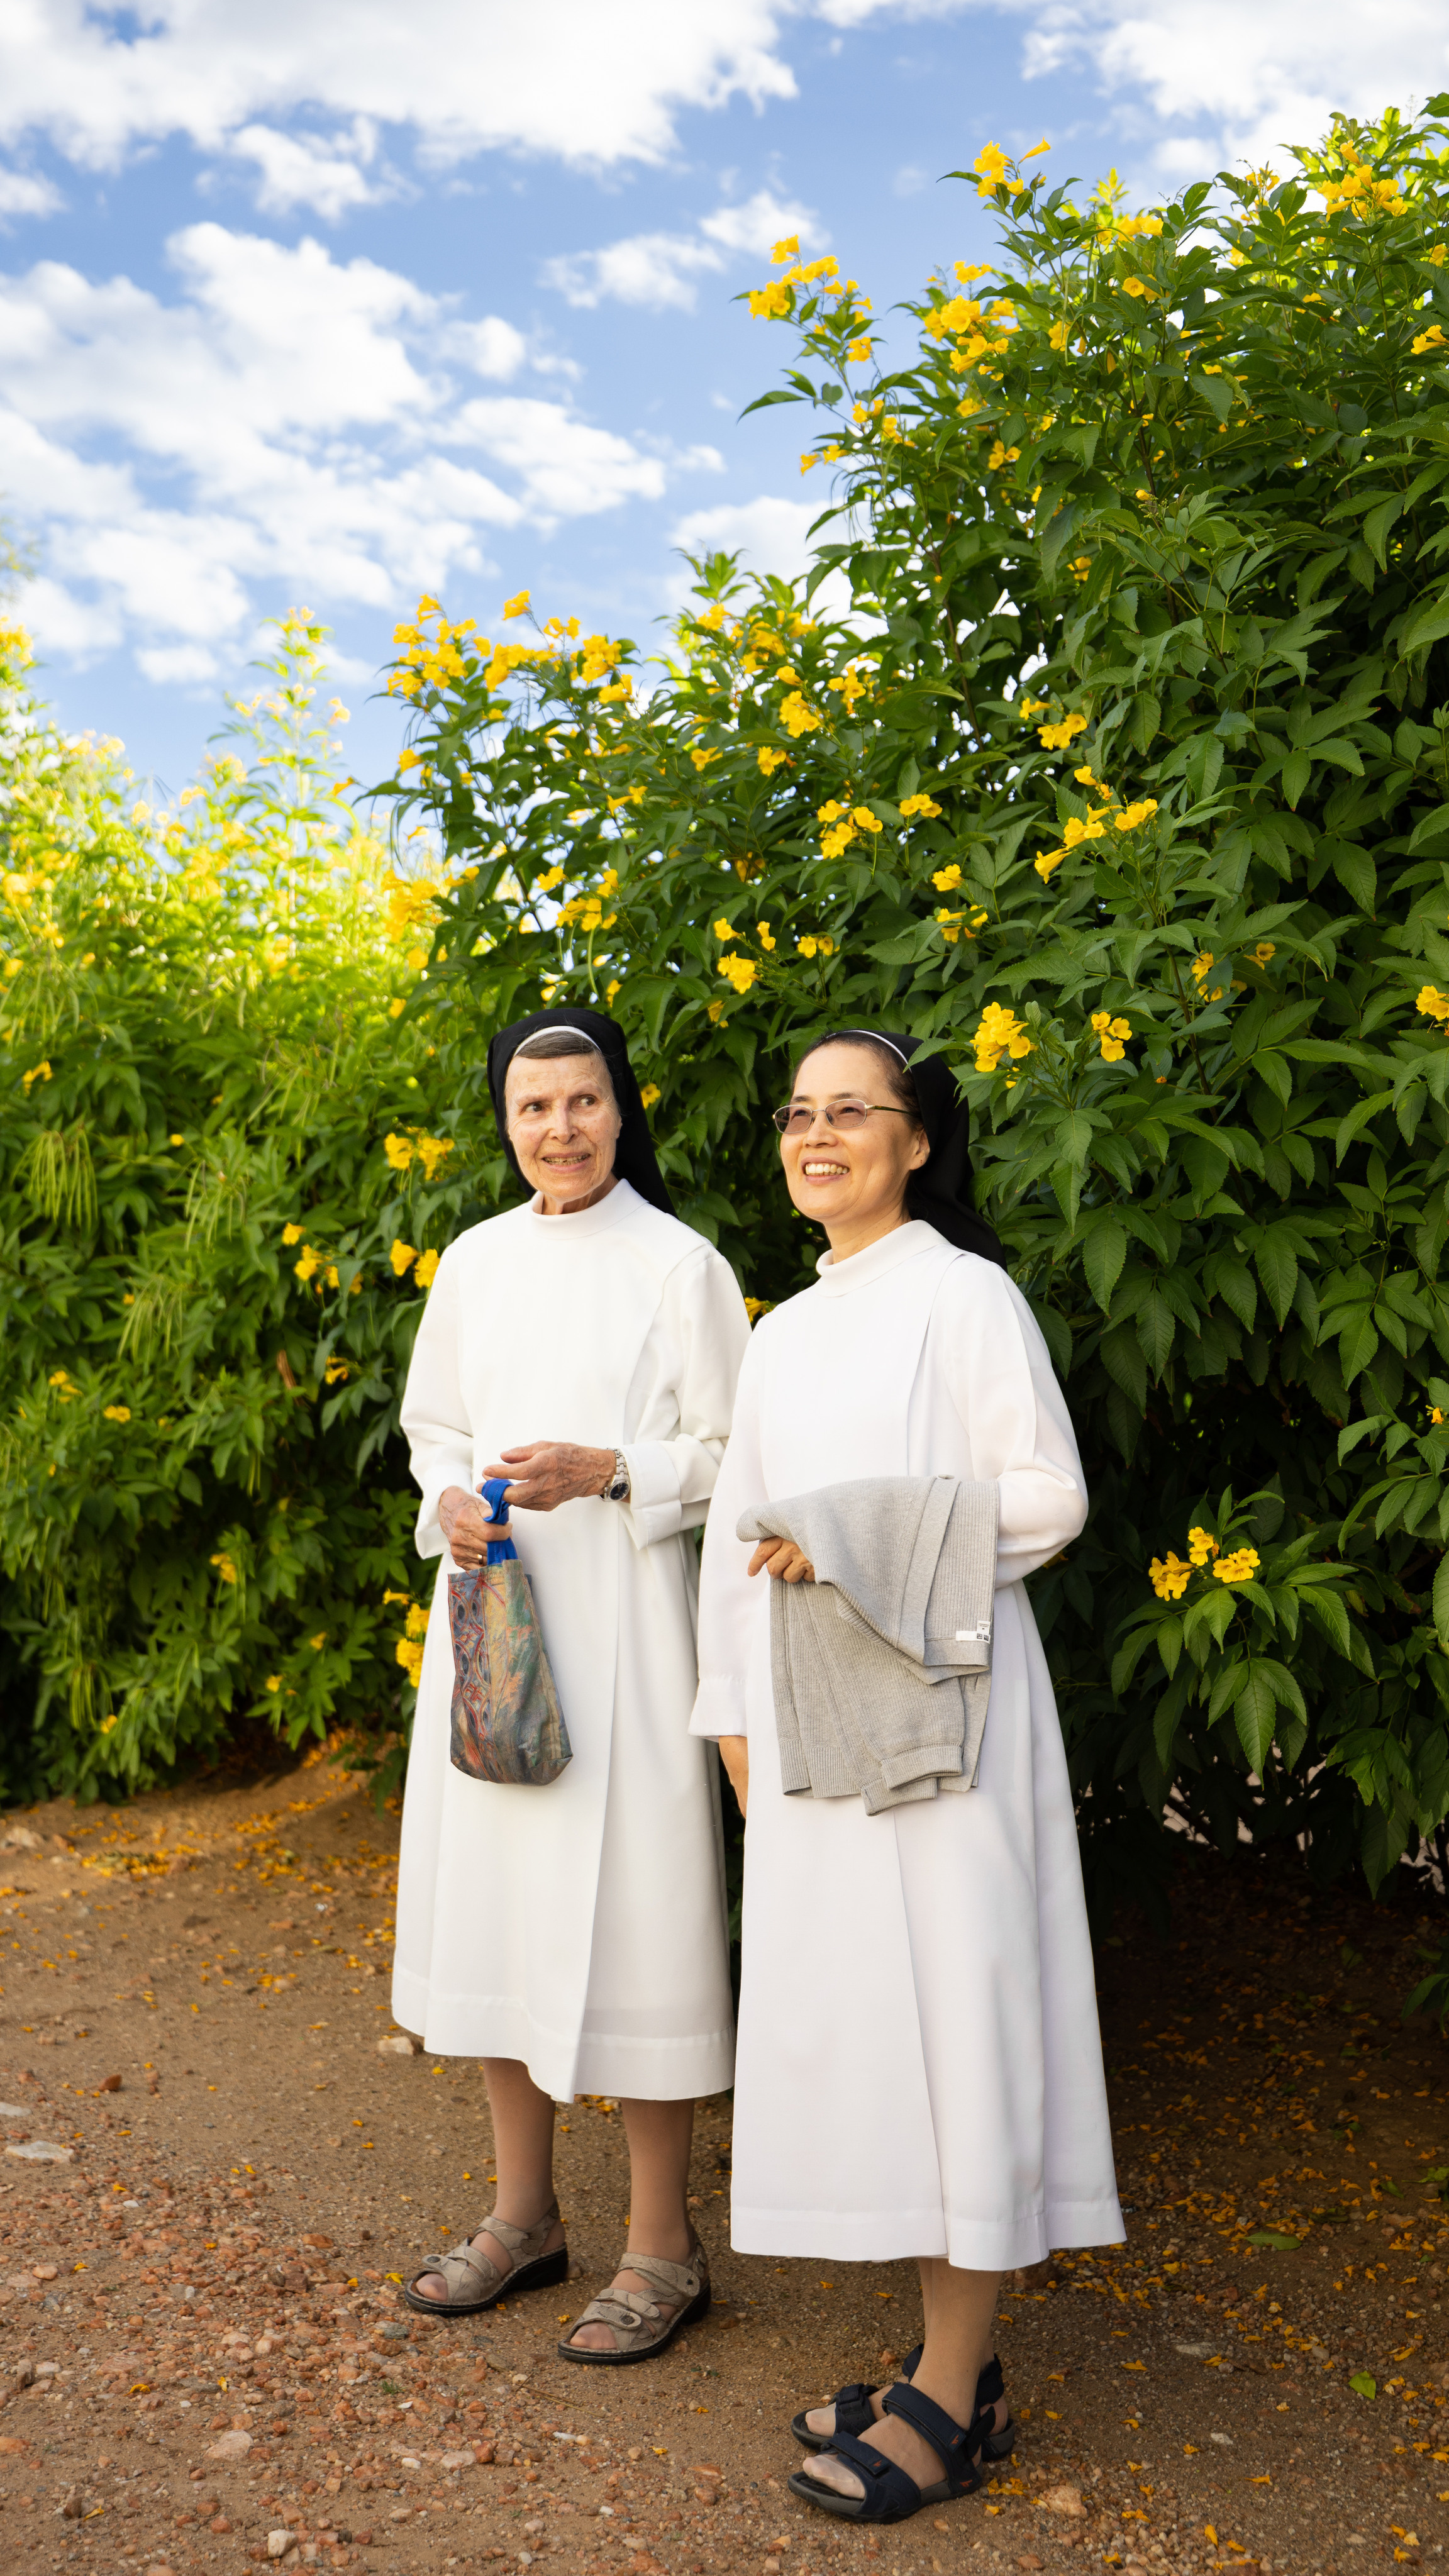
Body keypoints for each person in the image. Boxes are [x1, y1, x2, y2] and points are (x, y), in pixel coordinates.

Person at [691, 1028, 1122, 2526]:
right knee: (877, 2034)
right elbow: (742, 1538)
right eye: (800, 1115)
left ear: (917, 1139)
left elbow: (1050, 1494)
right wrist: (732, 1717)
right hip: (812, 1730)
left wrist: (861, 1535)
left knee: (959, 2028)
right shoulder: (788, 1327)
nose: (819, 1135)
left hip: (954, 1723)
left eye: (851, 1112)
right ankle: (957, 2368)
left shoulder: (964, 1293)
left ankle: (953, 2383)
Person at [393, 1005, 752, 2363]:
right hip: (496, 1629)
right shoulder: (475, 1260)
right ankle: (523, 2214)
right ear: (506, 1118)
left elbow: (733, 1449)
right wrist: (451, 1503)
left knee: (641, 1918)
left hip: (627, 1634)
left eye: (584, 1101)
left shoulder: (682, 1263)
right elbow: (436, 1421)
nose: (561, 1127)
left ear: (622, 1108)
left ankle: (663, 2242)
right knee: (500, 1909)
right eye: (534, 1106)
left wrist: (612, 1469)